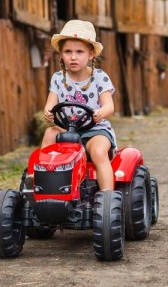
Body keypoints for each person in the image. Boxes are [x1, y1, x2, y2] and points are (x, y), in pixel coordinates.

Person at [42, 19, 116, 191]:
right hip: (68, 129)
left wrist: (101, 112)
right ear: (61, 54)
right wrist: (48, 112)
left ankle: (107, 196)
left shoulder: (100, 77)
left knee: (98, 152)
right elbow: (50, 104)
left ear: (91, 54)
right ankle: (38, 176)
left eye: (79, 52)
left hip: (95, 130)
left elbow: (109, 106)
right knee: (50, 132)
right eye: (68, 51)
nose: (73, 57)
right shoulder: (58, 78)